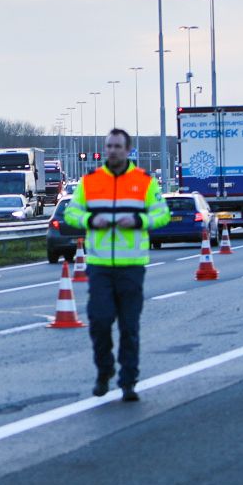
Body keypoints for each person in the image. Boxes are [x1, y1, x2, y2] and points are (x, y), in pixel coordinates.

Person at [64, 128, 169, 401]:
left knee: (129, 326)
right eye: (109, 146)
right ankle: (105, 370)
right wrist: (89, 220)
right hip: (99, 265)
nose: (112, 150)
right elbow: (71, 212)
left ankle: (128, 382)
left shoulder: (144, 181)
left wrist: (138, 221)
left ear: (128, 149)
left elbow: (162, 214)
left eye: (118, 146)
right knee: (99, 321)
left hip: (132, 265)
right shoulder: (90, 181)